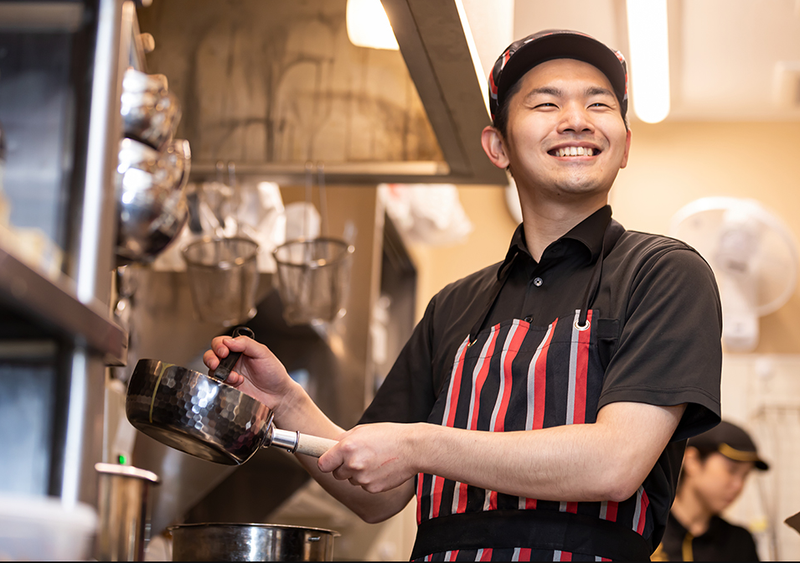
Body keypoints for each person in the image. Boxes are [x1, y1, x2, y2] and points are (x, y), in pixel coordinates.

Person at [204, 29, 724, 561]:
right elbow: (377, 495)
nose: (577, 119)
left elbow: (615, 464)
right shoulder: (453, 306)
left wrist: (420, 444)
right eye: (546, 103)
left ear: (625, 145)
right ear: (498, 146)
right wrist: (287, 405)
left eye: (599, 105)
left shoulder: (663, 274)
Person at [655, 420, 769, 561]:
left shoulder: (739, 542)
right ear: (692, 461)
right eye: (731, 470)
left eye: (745, 475)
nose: (738, 485)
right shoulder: (649, 529)